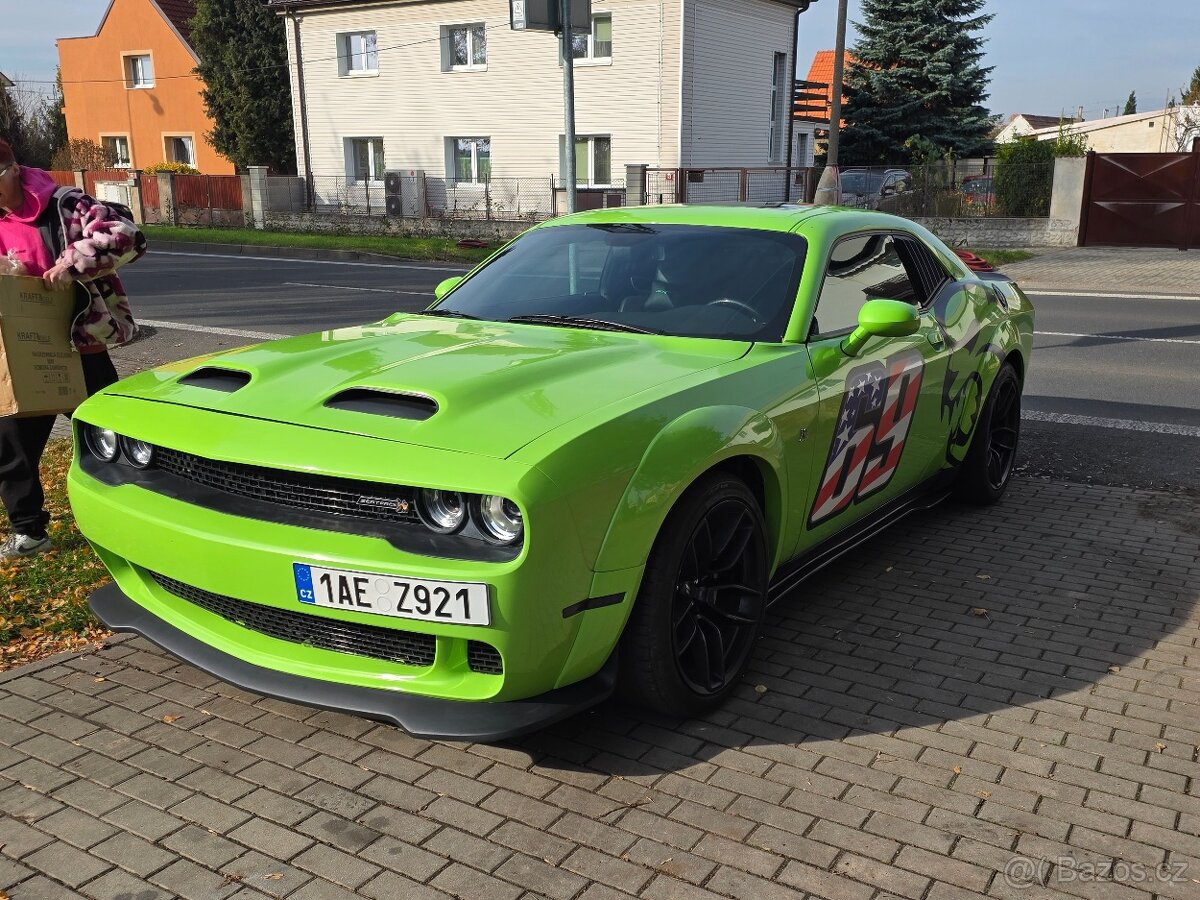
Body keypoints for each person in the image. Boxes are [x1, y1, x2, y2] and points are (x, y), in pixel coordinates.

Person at [0, 137, 145, 559]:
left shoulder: (63, 203)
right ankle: (29, 531)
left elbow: (126, 235)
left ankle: (138, 513)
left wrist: (71, 263)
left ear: (12, 169)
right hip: (23, 350)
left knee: (110, 433)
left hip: (81, 342)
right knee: (10, 445)